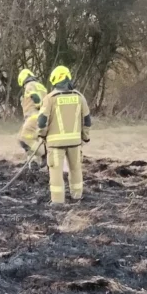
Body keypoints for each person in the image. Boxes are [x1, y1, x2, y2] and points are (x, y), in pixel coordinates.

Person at [36, 66, 92, 204]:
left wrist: (42, 135)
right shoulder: (79, 97)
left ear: (54, 81)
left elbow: (42, 121)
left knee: (56, 172)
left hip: (55, 144)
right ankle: (77, 197)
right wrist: (85, 137)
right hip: (75, 143)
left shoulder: (50, 98)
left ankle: (57, 202)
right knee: (76, 169)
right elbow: (87, 120)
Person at [17, 69, 48, 169]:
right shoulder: (42, 87)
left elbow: (36, 97)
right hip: (43, 118)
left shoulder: (30, 86)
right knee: (33, 139)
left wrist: (39, 106)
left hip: (34, 117)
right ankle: (33, 161)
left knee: (23, 139)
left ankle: (45, 154)